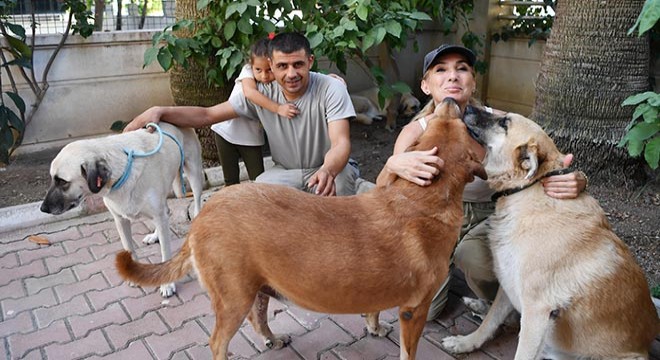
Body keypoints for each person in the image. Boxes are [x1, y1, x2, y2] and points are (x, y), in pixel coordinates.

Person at [374, 44, 588, 320]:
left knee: (473, 258)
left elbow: (551, 160)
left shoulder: (503, 123)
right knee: (427, 313)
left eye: (462, 69)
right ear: (426, 86)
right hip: (437, 220)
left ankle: (507, 304)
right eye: (441, 70)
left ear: (473, 83)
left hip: (489, 214)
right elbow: (383, 188)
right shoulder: (416, 131)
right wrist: (393, 163)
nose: (452, 76)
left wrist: (579, 180)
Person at [125, 32, 358, 196]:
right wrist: (160, 110)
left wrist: (328, 170)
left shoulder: (331, 88)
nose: (291, 74)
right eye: (282, 66)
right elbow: (207, 115)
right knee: (255, 197)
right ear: (271, 65)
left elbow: (340, 143)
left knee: (336, 201)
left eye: (298, 64)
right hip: (284, 174)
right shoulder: (262, 92)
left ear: (310, 61)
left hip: (330, 170)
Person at [211, 37, 299, 186]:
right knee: (231, 182)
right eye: (258, 70)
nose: (264, 76)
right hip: (225, 132)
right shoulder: (247, 72)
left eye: (269, 70)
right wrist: (278, 108)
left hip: (251, 137)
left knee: (259, 180)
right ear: (251, 65)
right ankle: (233, 208)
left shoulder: (280, 79)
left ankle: (258, 208)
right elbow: (250, 93)